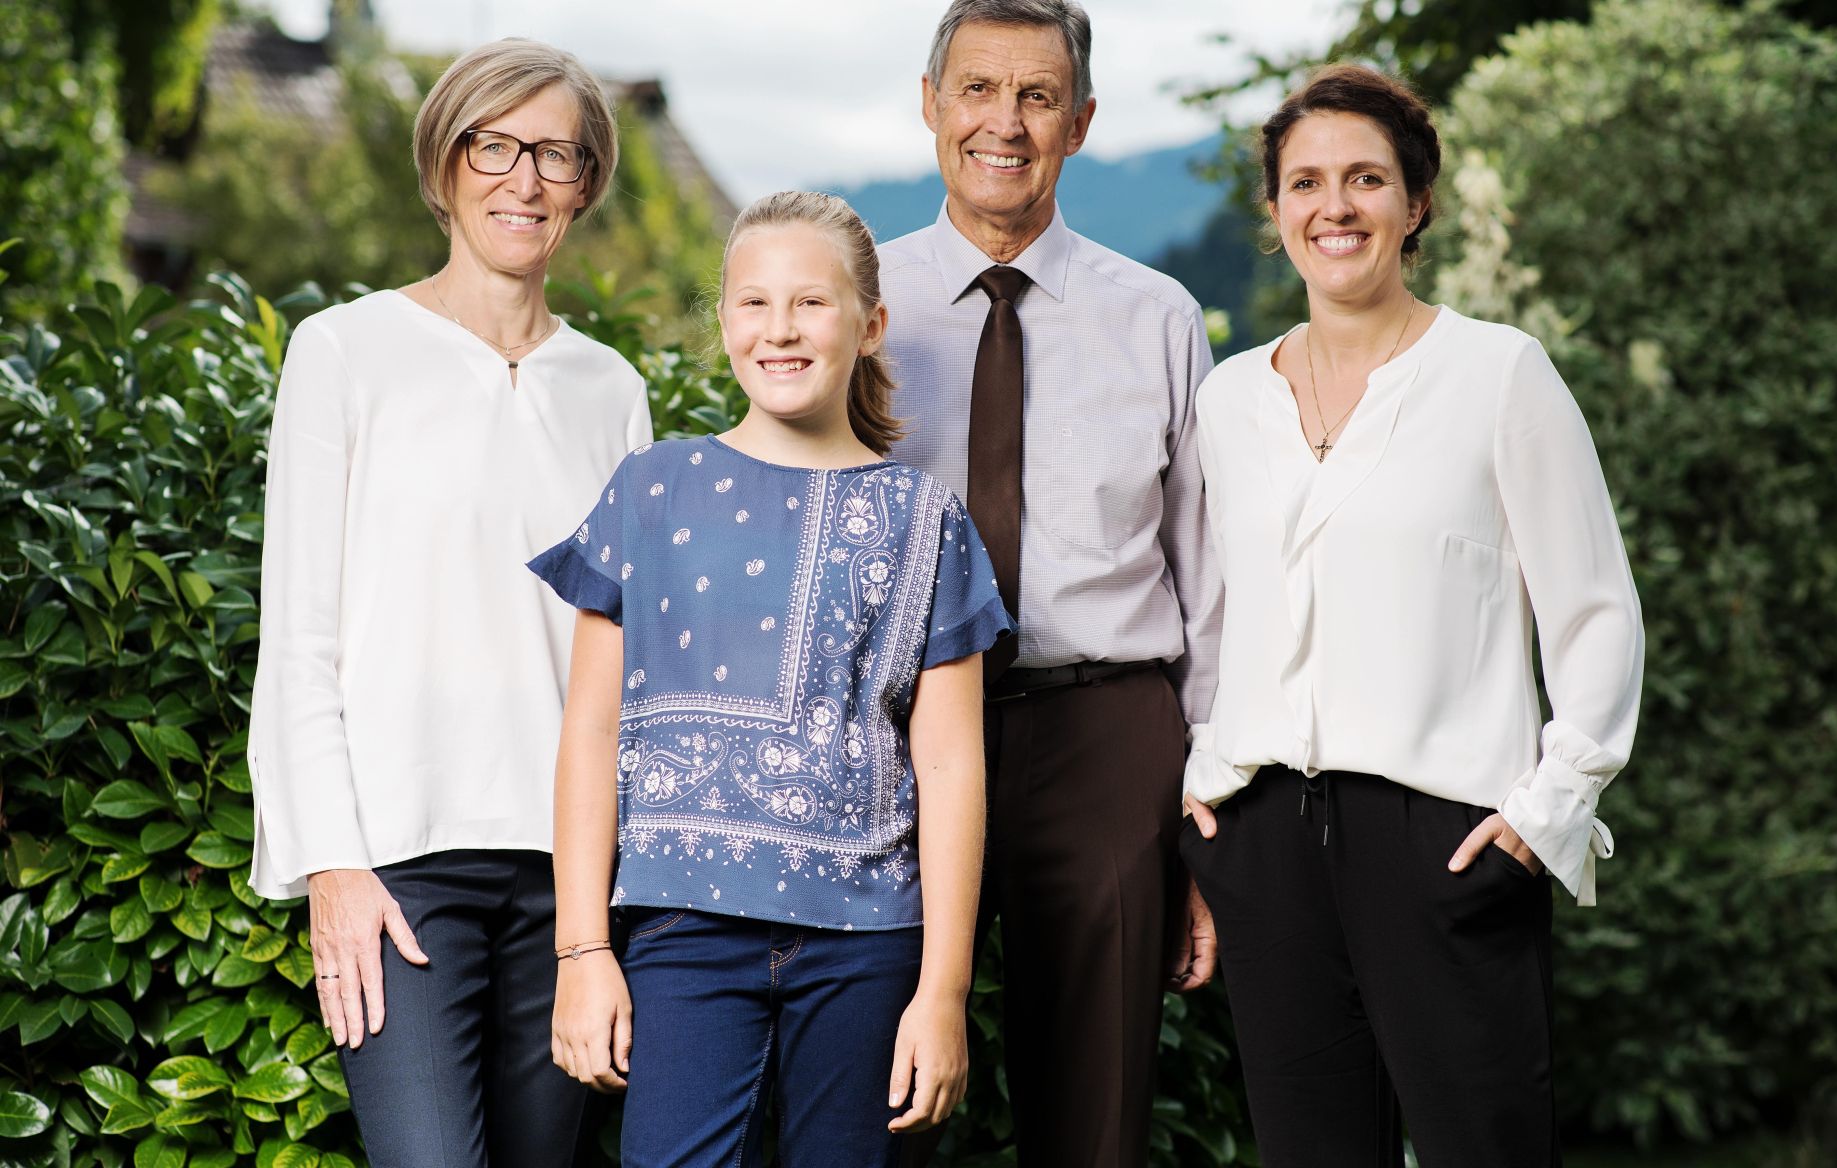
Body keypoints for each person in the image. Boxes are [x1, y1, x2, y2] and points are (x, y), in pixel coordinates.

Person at [1181, 63, 1646, 1167]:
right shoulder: (1226, 398)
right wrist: (1197, 779)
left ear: (1414, 202)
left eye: (1363, 179)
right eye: (1302, 182)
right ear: (1273, 210)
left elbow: (1594, 611)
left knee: (1486, 1145)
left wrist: (1548, 810)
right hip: (1261, 846)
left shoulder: (1498, 376)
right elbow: (1208, 610)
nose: (1332, 207)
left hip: (1444, 837)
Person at [531, 191, 1011, 1167]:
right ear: (722, 323)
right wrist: (581, 953)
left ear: (869, 325)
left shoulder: (926, 520)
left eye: (810, 303)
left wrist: (942, 991)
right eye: (753, 303)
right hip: (681, 929)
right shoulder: (649, 490)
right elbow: (588, 733)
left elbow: (952, 765)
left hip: (867, 941)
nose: (779, 329)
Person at [245, 38, 651, 1168]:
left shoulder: (612, 392)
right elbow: (301, 636)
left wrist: (609, 906)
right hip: (397, 869)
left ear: (586, 183)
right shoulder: (344, 354)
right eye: (496, 146)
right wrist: (331, 862)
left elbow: (624, 669)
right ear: (443, 164)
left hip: (568, 879)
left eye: (557, 156)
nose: (525, 180)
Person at [876, 1, 1223, 1163]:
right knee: (880, 1091)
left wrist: (1204, 807)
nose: (1003, 124)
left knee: (1093, 1112)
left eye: (1035, 97)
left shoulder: (1159, 320)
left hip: (1106, 732)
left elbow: (1209, 580)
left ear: (1078, 122)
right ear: (929, 103)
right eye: (977, 89)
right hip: (896, 731)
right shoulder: (857, 308)